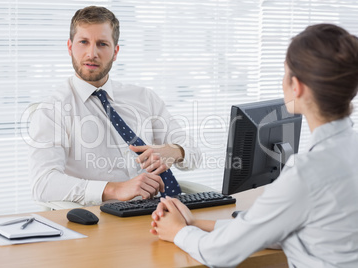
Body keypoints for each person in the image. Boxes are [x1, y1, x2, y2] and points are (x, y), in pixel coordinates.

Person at [150, 23, 358, 268]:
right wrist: (194, 224)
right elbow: (283, 227)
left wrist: (177, 232)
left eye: (284, 73)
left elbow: (220, 254)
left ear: (297, 86)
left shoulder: (307, 173)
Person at [28, 6, 201, 206]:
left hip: (163, 213)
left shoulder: (144, 98)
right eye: (83, 42)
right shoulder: (52, 110)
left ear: (115, 51)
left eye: (102, 44)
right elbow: (42, 184)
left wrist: (175, 151)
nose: (91, 53)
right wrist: (113, 189)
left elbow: (194, 152)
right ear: (69, 47)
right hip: (104, 221)